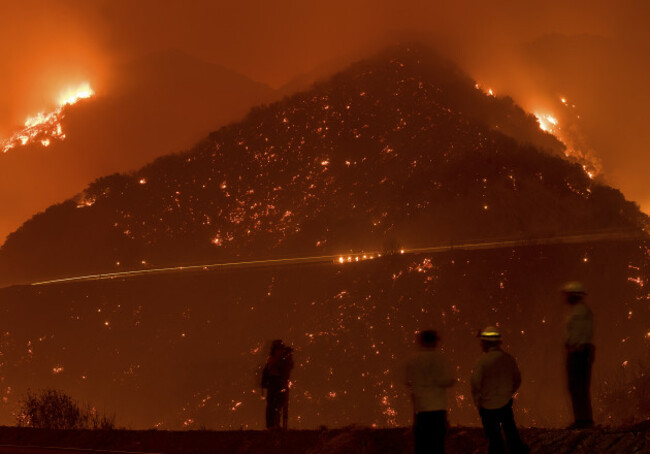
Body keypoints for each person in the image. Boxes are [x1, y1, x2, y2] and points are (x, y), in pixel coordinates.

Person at [471, 327, 528, 454]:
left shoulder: (482, 362)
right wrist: (508, 392)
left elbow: (475, 384)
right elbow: (517, 379)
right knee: (510, 428)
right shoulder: (508, 359)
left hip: (488, 404)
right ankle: (516, 448)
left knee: (493, 435)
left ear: (486, 343)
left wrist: (478, 402)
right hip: (505, 401)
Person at [405, 330, 456, 454]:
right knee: (437, 445)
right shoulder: (441, 359)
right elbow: (450, 380)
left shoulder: (413, 360)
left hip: (421, 408)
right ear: (435, 342)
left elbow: (408, 381)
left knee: (421, 446)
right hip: (438, 408)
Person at [562, 281, 595, 429]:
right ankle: (582, 419)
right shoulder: (579, 311)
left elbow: (581, 332)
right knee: (577, 386)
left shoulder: (580, 312)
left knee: (578, 386)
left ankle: (583, 420)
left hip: (579, 352)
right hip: (578, 351)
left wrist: (575, 345)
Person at [261, 339, 293, 429]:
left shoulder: (276, 359)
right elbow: (275, 368)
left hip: (279, 382)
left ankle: (275, 425)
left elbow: (288, 368)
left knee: (278, 404)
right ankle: (272, 425)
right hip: (274, 382)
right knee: (273, 405)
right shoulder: (273, 359)